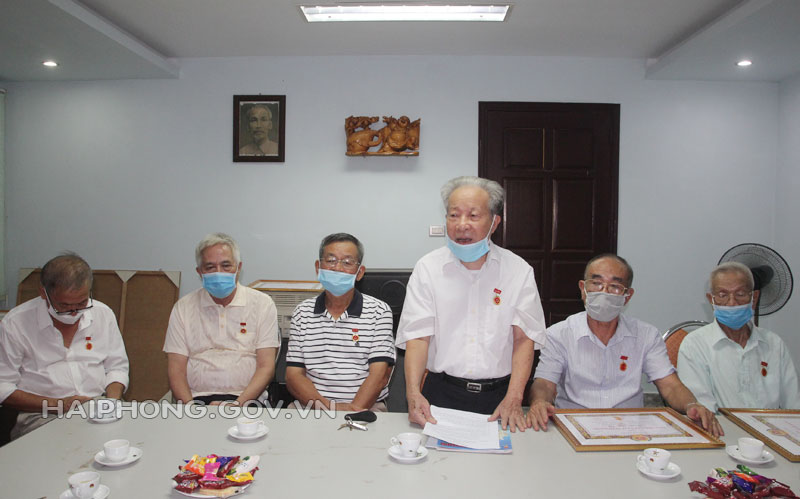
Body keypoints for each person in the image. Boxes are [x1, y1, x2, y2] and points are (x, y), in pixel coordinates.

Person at [396, 176, 546, 432]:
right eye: (453, 215)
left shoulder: (518, 271)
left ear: (494, 222)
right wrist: (412, 393)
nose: (462, 225)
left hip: (501, 398)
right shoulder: (428, 268)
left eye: (473, 216)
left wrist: (514, 397)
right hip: (440, 393)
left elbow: (524, 340)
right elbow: (418, 338)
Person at [527, 254, 723, 437]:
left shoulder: (646, 335)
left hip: (630, 430)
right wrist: (539, 402)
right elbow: (545, 383)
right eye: (596, 283)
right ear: (583, 288)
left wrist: (691, 405)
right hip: (573, 427)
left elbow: (670, 385)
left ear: (627, 296)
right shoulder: (558, 334)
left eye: (614, 286)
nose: (604, 292)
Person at [0, 253, 129, 439]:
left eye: (82, 302)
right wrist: (58, 405)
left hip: (99, 404)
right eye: (65, 305)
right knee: (66, 446)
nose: (74, 312)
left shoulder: (102, 314)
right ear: (44, 293)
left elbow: (117, 367)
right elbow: (3, 387)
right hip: (42, 414)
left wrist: (111, 402)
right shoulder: (16, 323)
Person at [164, 233, 279, 406]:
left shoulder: (262, 304)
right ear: (199, 272)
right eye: (210, 267)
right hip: (196, 400)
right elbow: (176, 370)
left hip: (247, 400)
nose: (219, 273)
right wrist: (191, 409)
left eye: (226, 265)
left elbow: (266, 367)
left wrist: (236, 405)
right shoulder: (183, 307)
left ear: (238, 268)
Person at [285, 233, 395, 411]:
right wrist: (329, 410)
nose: (337, 268)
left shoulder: (379, 312)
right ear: (318, 268)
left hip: (366, 407)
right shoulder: (302, 312)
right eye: (331, 260)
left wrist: (352, 410)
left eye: (347, 262)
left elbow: (379, 375)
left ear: (360, 272)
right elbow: (294, 375)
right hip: (311, 406)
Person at [678, 262, 800, 412]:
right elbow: (703, 410)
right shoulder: (695, 344)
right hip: (720, 426)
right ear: (711, 300)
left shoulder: (774, 343)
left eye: (740, 294)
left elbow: (794, 405)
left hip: (770, 425)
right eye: (723, 295)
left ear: (754, 298)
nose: (732, 303)